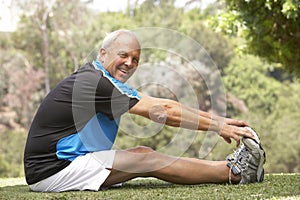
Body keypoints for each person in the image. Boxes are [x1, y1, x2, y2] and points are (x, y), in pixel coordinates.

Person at [24, 29, 266, 192]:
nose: (130, 63)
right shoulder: (95, 82)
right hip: (54, 169)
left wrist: (220, 121)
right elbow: (163, 111)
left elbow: (164, 105)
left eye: (135, 59)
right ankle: (234, 172)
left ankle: (233, 170)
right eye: (123, 55)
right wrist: (219, 126)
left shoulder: (104, 81)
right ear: (103, 54)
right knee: (147, 159)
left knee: (142, 152)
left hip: (64, 165)